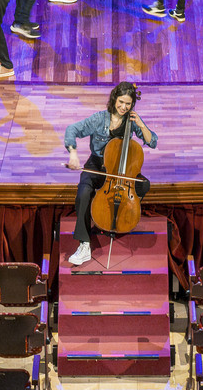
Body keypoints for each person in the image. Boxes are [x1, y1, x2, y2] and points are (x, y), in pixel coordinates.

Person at [64, 82, 157, 269]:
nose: (124, 107)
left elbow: (152, 141)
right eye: (121, 102)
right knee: (83, 193)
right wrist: (73, 153)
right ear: (114, 99)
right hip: (98, 165)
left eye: (128, 104)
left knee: (143, 185)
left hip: (120, 171)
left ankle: (120, 212)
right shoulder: (99, 119)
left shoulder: (132, 121)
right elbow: (72, 130)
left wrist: (140, 124)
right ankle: (84, 244)